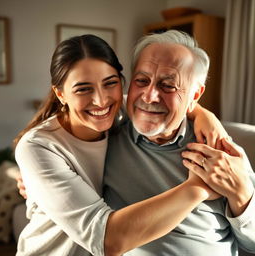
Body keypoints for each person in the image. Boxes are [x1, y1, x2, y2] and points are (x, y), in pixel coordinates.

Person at [14, 34, 227, 256]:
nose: (101, 100)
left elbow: (164, 99)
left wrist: (204, 115)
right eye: (83, 89)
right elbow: (107, 240)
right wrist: (199, 187)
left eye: (110, 83)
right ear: (61, 94)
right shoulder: (39, 146)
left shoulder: (120, 112)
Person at [103, 30, 255, 255]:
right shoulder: (105, 134)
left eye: (168, 86)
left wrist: (241, 194)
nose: (149, 96)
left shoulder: (220, 148)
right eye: (142, 81)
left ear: (195, 95)